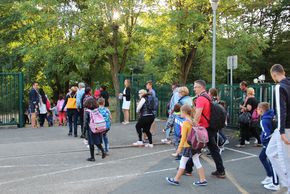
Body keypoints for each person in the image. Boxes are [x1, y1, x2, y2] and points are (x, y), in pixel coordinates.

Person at [166, 104, 207, 186]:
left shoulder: (185, 123)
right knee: (197, 161)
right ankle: (203, 179)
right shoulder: (193, 121)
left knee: (182, 162)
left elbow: (183, 138)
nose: (180, 113)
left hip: (188, 146)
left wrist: (179, 149)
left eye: (181, 111)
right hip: (195, 145)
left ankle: (176, 179)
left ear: (184, 112)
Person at [193, 80, 226, 178]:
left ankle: (187, 168)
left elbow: (198, 114)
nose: (194, 89)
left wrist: (193, 125)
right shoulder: (207, 97)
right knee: (212, 149)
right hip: (209, 127)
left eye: (195, 87)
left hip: (204, 128)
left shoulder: (200, 99)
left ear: (201, 87)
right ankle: (220, 170)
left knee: (194, 147)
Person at [266, 64, 290, 194]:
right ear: (283, 72)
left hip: (285, 128)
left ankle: (288, 187)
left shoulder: (279, 87)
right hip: (283, 127)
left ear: (273, 75)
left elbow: (281, 110)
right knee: (270, 152)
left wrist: (281, 131)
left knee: (286, 159)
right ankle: (285, 184)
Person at [257, 102, 280, 191]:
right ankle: (271, 177)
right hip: (273, 142)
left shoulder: (264, 120)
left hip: (269, 143)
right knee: (264, 158)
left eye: (258, 109)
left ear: (261, 109)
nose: (257, 110)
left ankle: (274, 181)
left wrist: (263, 140)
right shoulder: (271, 115)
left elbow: (267, 133)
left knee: (271, 161)